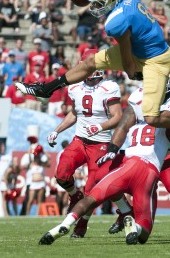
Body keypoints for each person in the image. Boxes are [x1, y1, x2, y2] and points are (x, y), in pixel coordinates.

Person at [38, 70, 170, 246]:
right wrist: (113, 149)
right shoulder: (140, 96)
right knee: (107, 179)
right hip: (149, 160)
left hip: (154, 154)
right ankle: (127, 215)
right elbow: (130, 124)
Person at [15, 0, 170, 135]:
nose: (94, 6)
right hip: (140, 47)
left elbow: (127, 61)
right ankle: (46, 90)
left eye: (99, 3)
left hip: (155, 59)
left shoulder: (118, 20)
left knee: (151, 117)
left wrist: (132, 72)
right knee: (90, 62)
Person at [46, 69, 122, 237]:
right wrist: (57, 130)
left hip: (100, 144)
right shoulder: (75, 87)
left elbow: (118, 116)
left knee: (91, 191)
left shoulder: (108, 86)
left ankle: (82, 224)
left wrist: (100, 126)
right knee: (61, 174)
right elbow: (74, 113)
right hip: (80, 140)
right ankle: (74, 194)